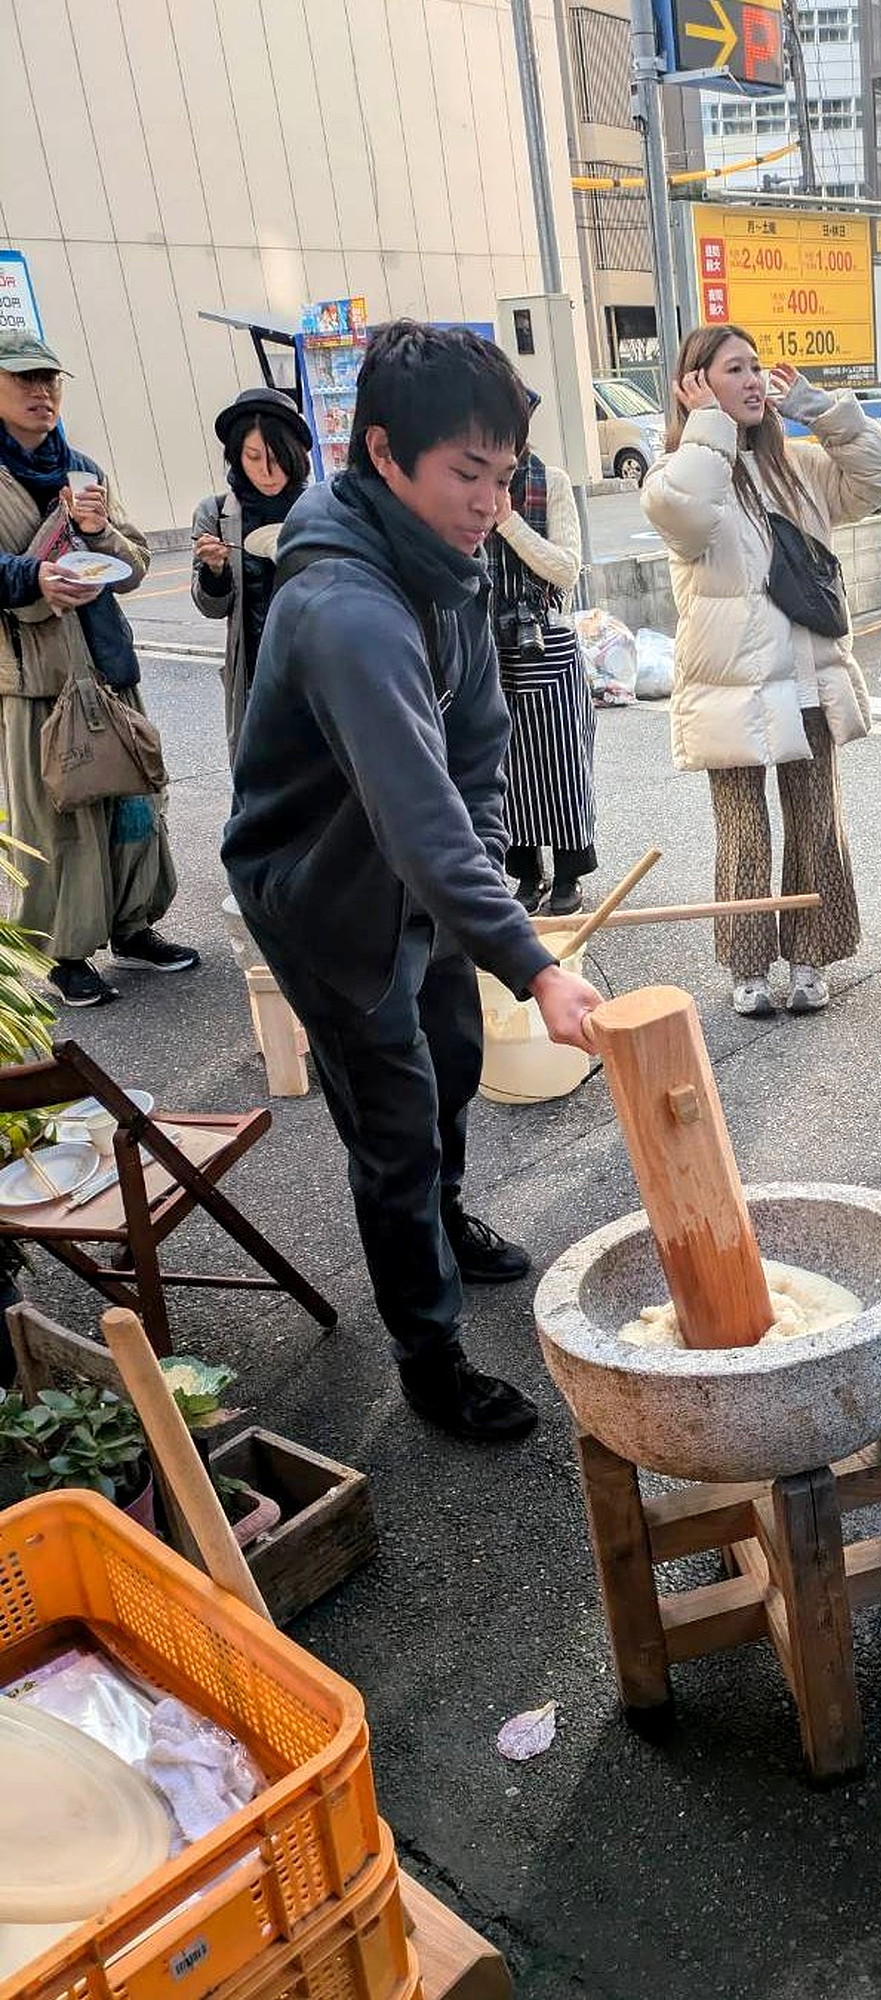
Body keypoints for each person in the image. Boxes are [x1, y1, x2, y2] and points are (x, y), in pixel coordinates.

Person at [222, 322, 602, 1442]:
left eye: (502, 475)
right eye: (464, 474)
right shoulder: (344, 606)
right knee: (390, 1121)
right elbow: (413, 817)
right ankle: (427, 1353)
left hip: (422, 878)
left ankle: (445, 1215)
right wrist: (532, 961)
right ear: (383, 453)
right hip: (327, 893)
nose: (489, 501)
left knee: (450, 1064)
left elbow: (475, 747)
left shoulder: (449, 559)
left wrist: (481, 875)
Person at [641, 324, 881, 1016]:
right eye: (735, 370)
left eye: (757, 368)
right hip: (730, 685)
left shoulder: (800, 466)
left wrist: (824, 410)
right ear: (697, 386)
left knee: (815, 821)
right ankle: (748, 966)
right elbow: (686, 515)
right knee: (744, 830)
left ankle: (811, 956)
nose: (755, 380)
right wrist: (706, 429)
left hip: (808, 676)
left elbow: (878, 476)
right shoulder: (679, 472)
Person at [0, 330, 197, 1009]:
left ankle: (134, 928)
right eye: (25, 380)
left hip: (109, 667)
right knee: (58, 811)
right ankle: (66, 951)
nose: (41, 392)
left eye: (50, 381)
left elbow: (136, 563)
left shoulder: (80, 468)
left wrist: (96, 532)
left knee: (135, 804)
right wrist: (34, 577)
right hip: (39, 678)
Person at [486, 446, 595, 916]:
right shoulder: (468, 480)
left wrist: (508, 521)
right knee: (507, 769)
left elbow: (566, 568)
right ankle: (526, 874)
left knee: (562, 766)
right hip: (487, 640)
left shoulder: (549, 479)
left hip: (546, 639)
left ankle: (569, 873)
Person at [192, 387, 314, 760]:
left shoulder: (321, 509)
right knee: (262, 772)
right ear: (236, 457)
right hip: (255, 670)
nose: (267, 470)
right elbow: (212, 607)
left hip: (316, 664)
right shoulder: (216, 513)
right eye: (254, 456)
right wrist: (214, 571)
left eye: (278, 457)